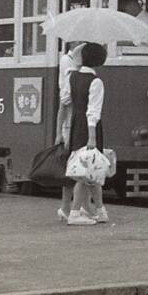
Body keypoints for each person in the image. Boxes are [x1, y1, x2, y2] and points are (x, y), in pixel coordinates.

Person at [57, 41, 109, 226]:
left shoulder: (72, 77)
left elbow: (65, 100)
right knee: (87, 171)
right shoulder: (96, 82)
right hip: (89, 128)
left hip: (75, 125)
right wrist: (92, 137)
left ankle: (99, 210)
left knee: (86, 169)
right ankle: (75, 212)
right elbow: (93, 112)